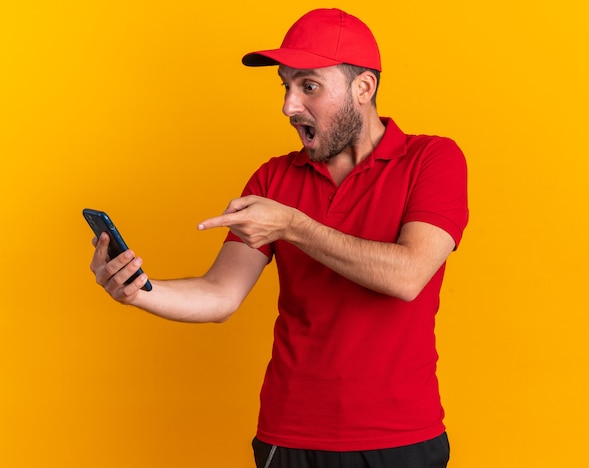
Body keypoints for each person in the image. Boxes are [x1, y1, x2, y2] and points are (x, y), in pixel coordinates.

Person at [89, 8, 469, 468]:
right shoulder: (273, 178)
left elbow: (407, 276)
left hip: (400, 439)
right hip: (287, 437)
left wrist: (293, 226)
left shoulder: (432, 160)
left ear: (363, 88)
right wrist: (139, 292)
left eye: (308, 86)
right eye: (286, 86)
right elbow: (219, 295)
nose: (289, 106)